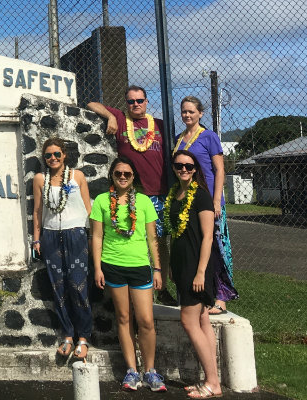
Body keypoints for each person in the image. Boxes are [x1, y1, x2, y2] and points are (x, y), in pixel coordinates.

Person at [87, 87, 172, 303]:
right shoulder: (121, 119)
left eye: (140, 100)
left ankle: (162, 286)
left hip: (161, 191)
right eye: (131, 101)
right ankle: (140, 286)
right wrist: (109, 117)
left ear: (146, 101)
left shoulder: (160, 125)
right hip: (136, 193)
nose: (136, 104)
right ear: (126, 103)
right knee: (135, 238)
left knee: (160, 240)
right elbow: (91, 105)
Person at [90, 156, 167, 392]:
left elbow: (153, 238)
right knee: (124, 318)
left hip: (140, 266)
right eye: (118, 173)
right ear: (112, 176)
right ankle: (132, 370)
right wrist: (97, 268)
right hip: (112, 265)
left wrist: (157, 268)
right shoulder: (102, 201)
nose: (122, 177)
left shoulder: (143, 202)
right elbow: (97, 237)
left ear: (133, 177)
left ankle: (150, 371)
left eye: (127, 174)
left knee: (145, 320)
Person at [164, 150, 222, 399]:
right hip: (182, 264)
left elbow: (208, 237)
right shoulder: (175, 193)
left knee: (189, 321)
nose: (184, 170)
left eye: (188, 166)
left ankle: (212, 383)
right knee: (202, 320)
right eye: (179, 166)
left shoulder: (200, 197)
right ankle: (212, 379)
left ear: (196, 168)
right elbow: (175, 233)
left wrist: (200, 273)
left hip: (196, 266)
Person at [31, 137, 93, 359]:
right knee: (59, 287)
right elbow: (38, 211)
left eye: (57, 154)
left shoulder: (77, 176)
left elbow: (88, 208)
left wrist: (93, 237)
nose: (53, 158)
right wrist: (36, 239)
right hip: (50, 235)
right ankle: (67, 334)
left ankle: (83, 337)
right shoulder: (40, 179)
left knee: (78, 285)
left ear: (64, 155)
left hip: (75, 233)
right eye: (48, 155)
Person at [175, 96, 238, 314]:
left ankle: (221, 298)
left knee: (217, 246)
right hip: (188, 200)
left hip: (209, 199)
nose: (187, 115)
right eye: (184, 111)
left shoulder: (209, 137)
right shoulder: (178, 139)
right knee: (196, 246)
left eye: (191, 111)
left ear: (200, 113)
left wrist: (217, 200)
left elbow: (220, 169)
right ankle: (201, 294)